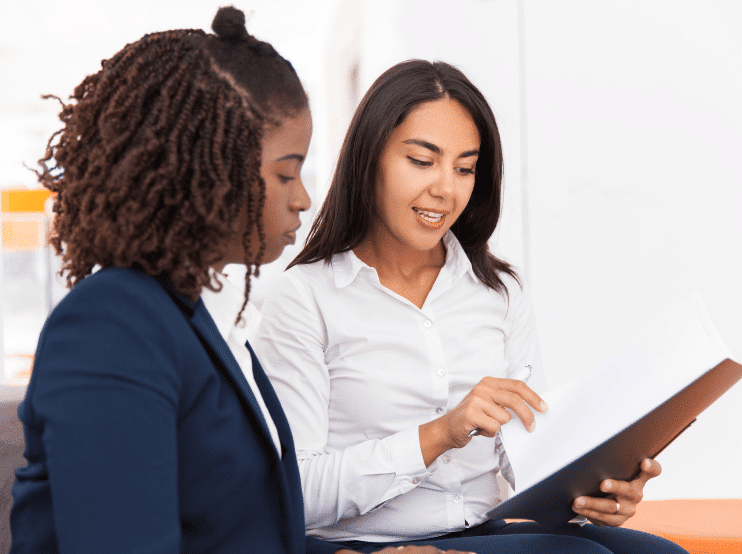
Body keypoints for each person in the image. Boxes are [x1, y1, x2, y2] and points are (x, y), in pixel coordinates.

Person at [8, 9, 462, 554]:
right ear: (206, 167)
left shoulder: (202, 320)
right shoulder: (113, 323)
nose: (302, 198)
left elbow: (243, 533)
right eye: (284, 173)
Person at [252, 60, 689, 554]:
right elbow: (295, 491)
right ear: (368, 158)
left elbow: (529, 461)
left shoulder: (497, 290)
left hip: (483, 533)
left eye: (465, 167)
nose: (447, 188)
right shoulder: (307, 297)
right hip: (367, 544)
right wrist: (440, 434)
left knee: (657, 553)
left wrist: (598, 490)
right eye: (422, 161)